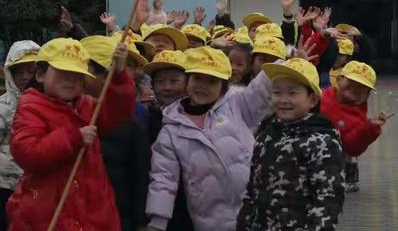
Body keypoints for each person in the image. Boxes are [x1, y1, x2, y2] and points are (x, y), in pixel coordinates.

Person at [7, 38, 136, 230]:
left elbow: (118, 112)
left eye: (76, 75)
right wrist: (73, 137)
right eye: (62, 73)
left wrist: (119, 75)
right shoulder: (31, 108)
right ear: (41, 75)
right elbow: (28, 153)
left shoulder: (88, 104)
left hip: (91, 208)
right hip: (47, 209)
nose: (70, 79)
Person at [146, 46, 273, 231]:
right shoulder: (172, 128)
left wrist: (289, 62)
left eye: (212, 81)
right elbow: (163, 178)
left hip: (254, 211)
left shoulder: (238, 105)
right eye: (197, 78)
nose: (202, 86)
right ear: (187, 81)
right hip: (210, 220)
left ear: (223, 87)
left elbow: (262, 89)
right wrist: (157, 222)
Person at [237, 58, 345, 231]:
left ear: (313, 100)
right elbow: (252, 190)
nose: (283, 100)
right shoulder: (266, 136)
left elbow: (328, 199)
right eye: (277, 92)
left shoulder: (322, 141)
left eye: (292, 93)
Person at [81, 36, 151, 231]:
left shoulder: (130, 123)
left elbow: (139, 179)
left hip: (117, 216)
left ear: (105, 75)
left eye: (82, 71)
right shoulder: (65, 110)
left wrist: (139, 221)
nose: (74, 78)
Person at [321, 61, 393, 192]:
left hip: (330, 167)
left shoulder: (358, 117)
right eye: (351, 82)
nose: (356, 88)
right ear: (339, 79)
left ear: (368, 94)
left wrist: (369, 128)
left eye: (362, 86)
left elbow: (352, 147)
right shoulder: (319, 97)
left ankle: (350, 178)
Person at [144, 50, 194, 231]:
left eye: (174, 81)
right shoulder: (147, 118)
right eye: (160, 82)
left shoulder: (198, 118)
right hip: (158, 205)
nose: (167, 87)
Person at [0, 41, 40, 231]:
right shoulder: (2, 107)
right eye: (19, 71)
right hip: (6, 187)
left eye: (30, 71)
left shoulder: (48, 104)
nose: (25, 77)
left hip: (38, 187)